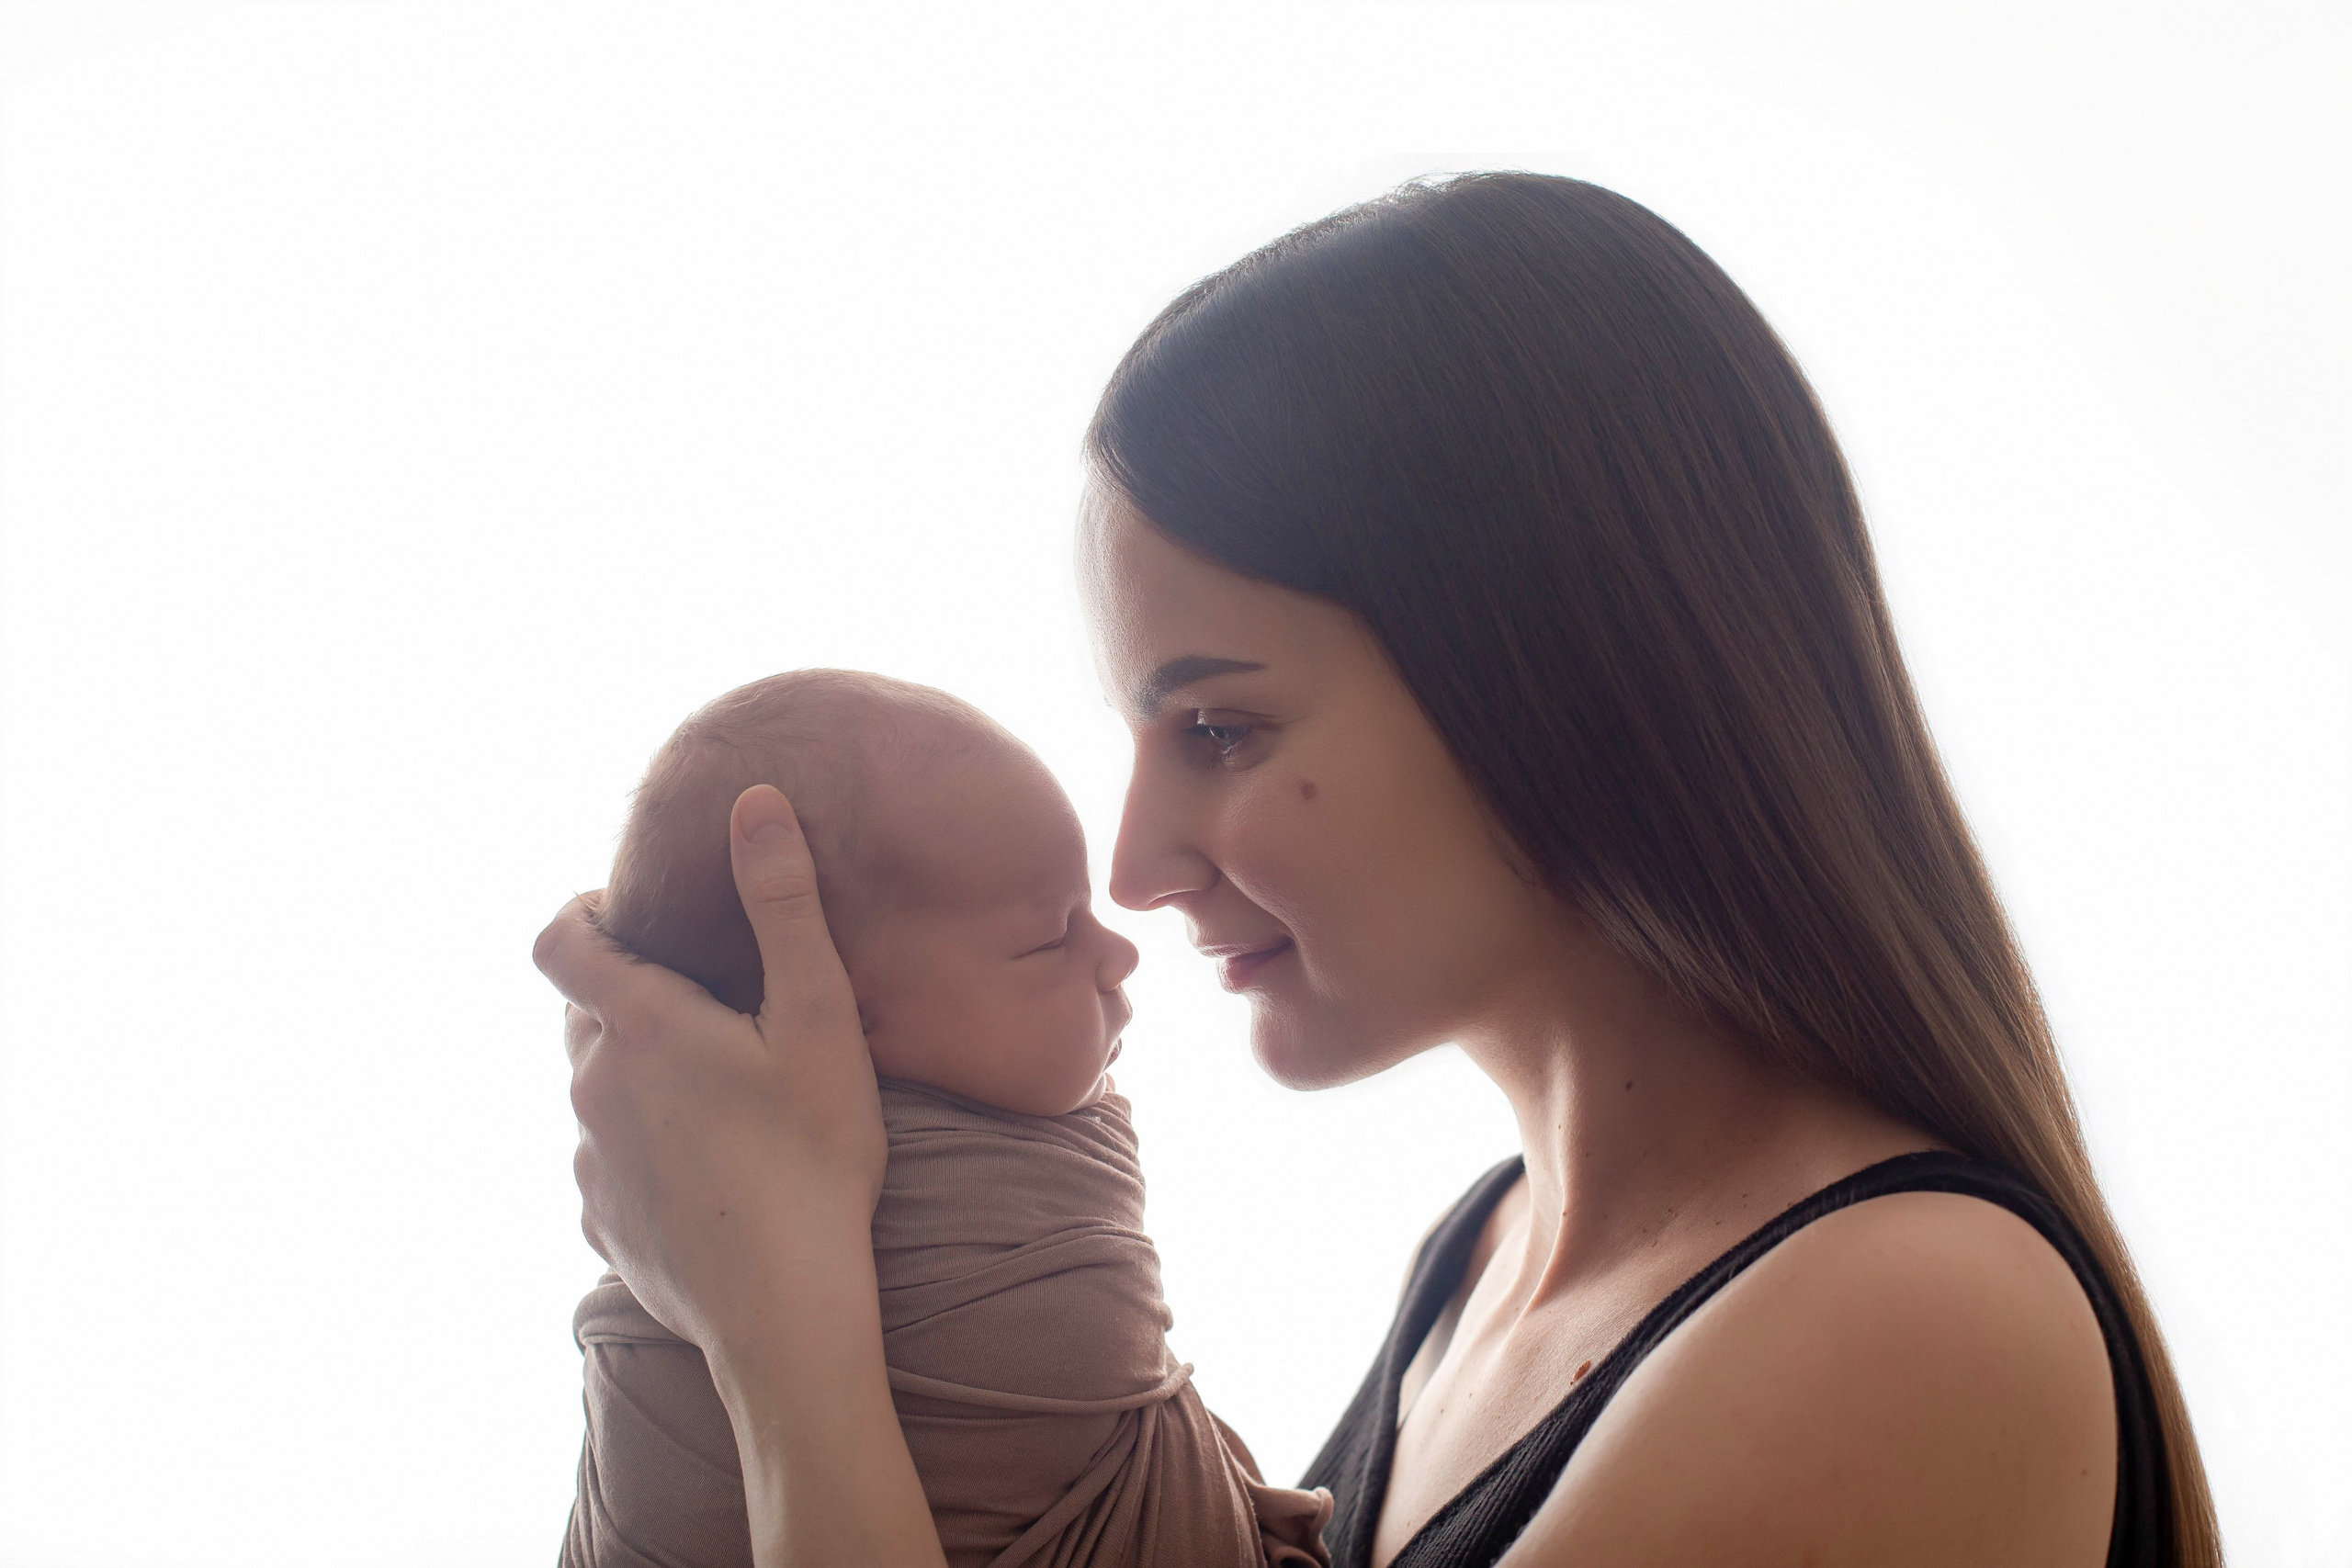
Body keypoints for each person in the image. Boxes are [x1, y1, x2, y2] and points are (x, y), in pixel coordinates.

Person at [537, 172, 2222, 1567]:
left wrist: (784, 1342)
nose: (1131, 864)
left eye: (1219, 729)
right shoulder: (1483, 1262)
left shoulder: (1909, 1323)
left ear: (1556, 674)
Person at [559, 670, 1329, 1568]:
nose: (1118, 952)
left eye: (1225, 731)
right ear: (830, 1016)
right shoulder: (992, 1216)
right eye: (1052, 936)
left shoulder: (687, 1209)